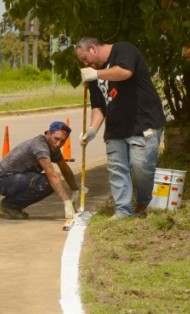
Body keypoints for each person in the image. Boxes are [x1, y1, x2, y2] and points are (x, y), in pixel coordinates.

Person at [75, 37, 165, 219]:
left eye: (85, 58)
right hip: (115, 129)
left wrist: (97, 74)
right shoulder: (94, 74)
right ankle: (123, 210)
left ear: (93, 48)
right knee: (117, 169)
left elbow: (125, 72)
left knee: (142, 167)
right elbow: (99, 107)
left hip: (143, 123)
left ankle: (143, 204)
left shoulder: (123, 50)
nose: (85, 64)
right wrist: (92, 130)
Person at [0, 121, 79, 219]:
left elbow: (65, 169)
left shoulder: (53, 147)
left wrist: (75, 191)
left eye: (63, 141)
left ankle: (11, 204)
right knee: (48, 182)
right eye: (56, 139)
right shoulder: (40, 146)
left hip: (19, 179)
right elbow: (52, 176)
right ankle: (9, 206)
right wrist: (66, 202)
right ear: (48, 133)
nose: (58, 144)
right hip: (3, 181)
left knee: (51, 183)